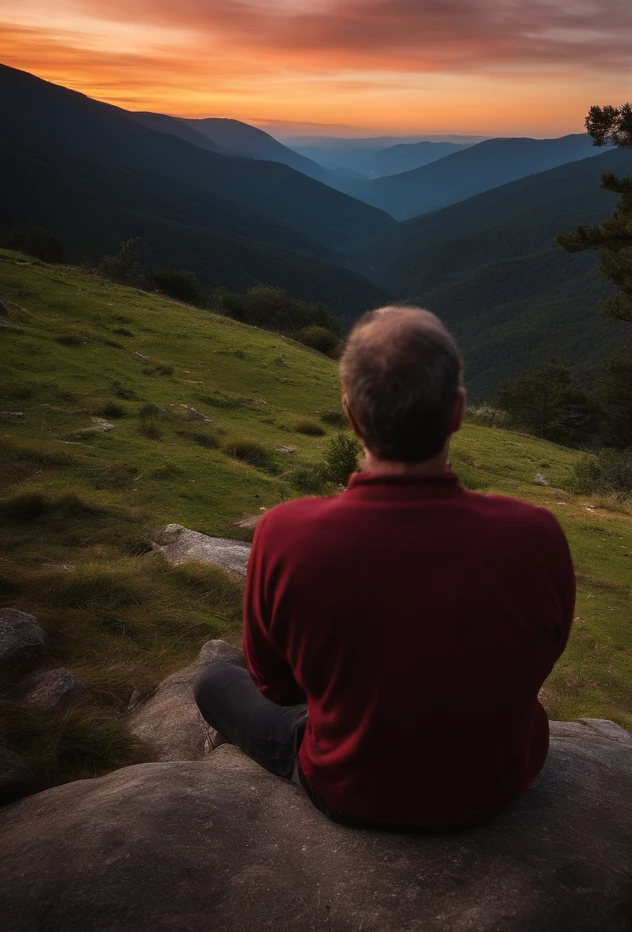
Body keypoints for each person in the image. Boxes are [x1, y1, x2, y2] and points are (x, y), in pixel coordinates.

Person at [194, 306, 575, 829]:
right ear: (458, 412)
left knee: (214, 680)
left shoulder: (285, 533)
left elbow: (275, 688)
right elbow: (540, 659)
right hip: (498, 783)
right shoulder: (537, 534)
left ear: (351, 413)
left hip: (350, 790)